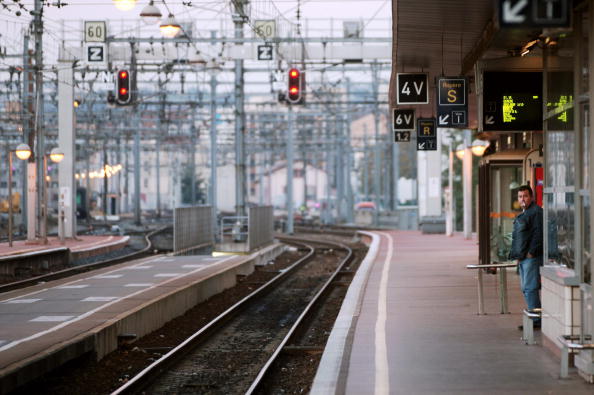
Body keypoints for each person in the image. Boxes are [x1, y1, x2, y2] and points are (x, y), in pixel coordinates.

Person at [509, 185, 543, 329]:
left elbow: (539, 233)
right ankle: (535, 317)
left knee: (530, 288)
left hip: (530, 257)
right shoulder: (525, 212)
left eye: (526, 196)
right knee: (526, 288)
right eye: (520, 196)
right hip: (523, 257)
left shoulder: (536, 212)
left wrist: (531, 252)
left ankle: (536, 320)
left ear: (532, 197)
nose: (523, 199)